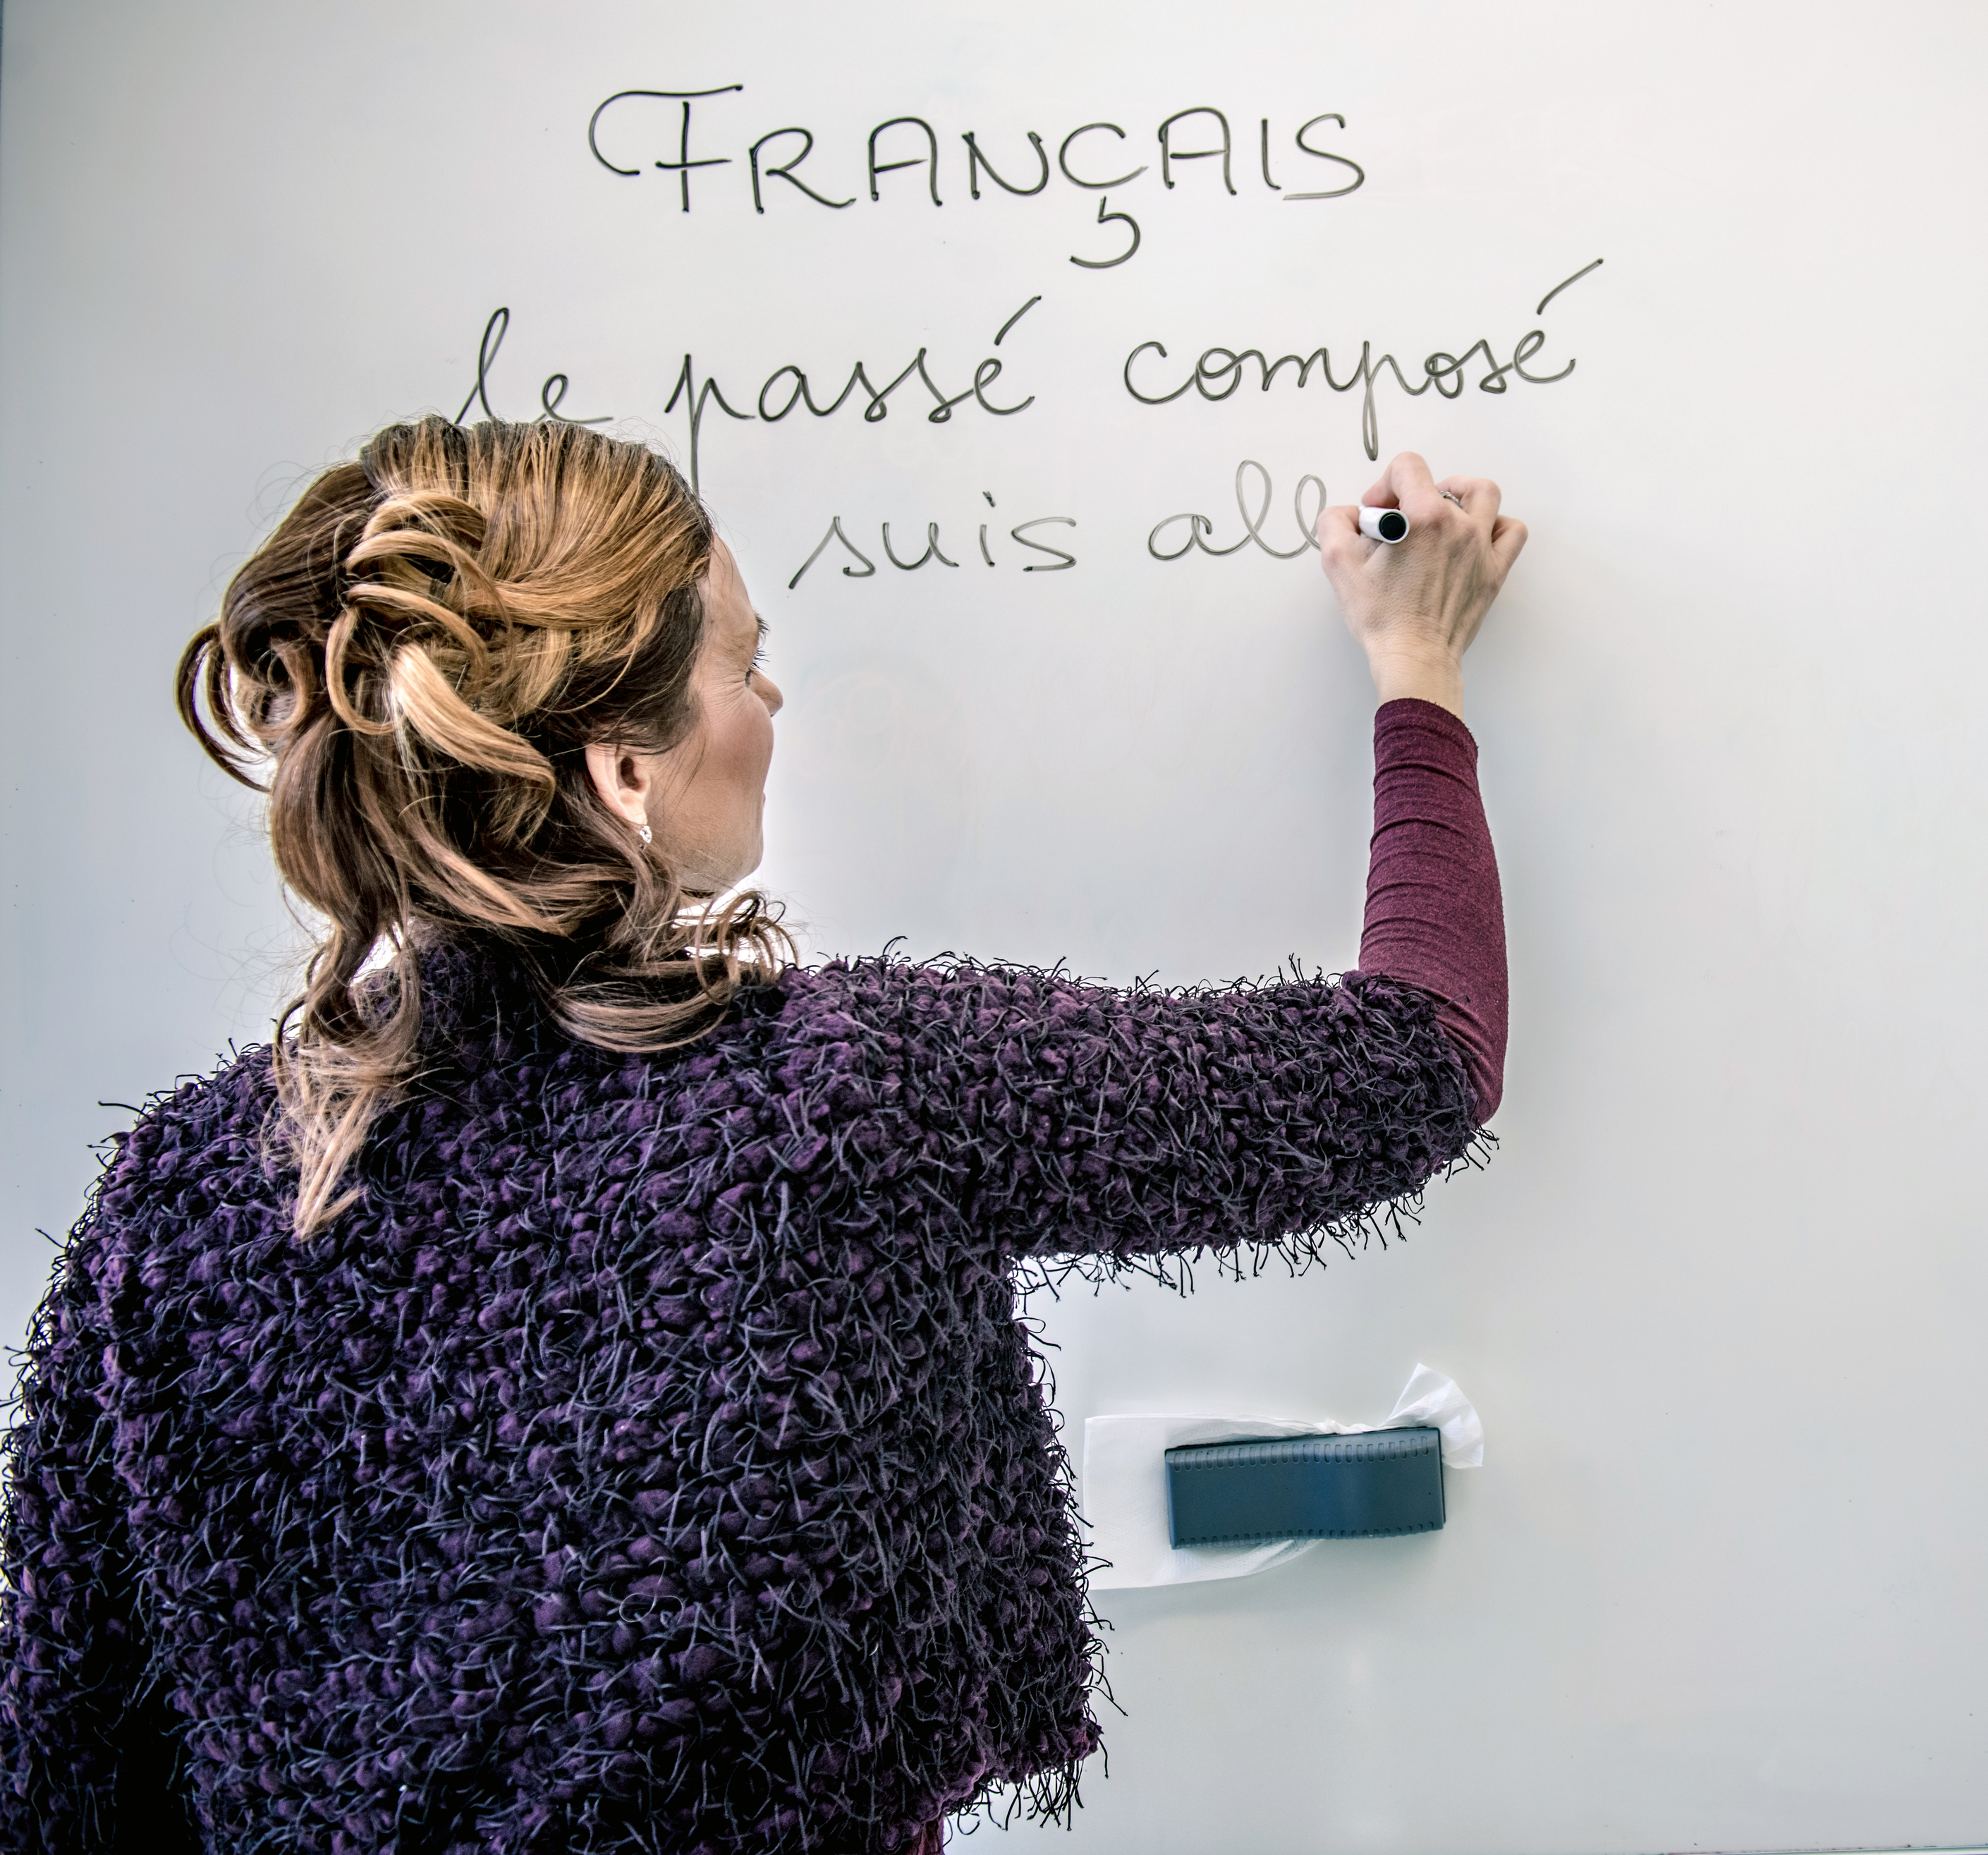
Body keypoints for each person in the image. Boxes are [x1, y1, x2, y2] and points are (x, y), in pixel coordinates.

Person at [0, 416, 1523, 1851]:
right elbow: (1410, 1061)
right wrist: (1416, 663)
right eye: (746, 660)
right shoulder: (841, 1093)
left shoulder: (176, 1203)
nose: (773, 702)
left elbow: (61, 1771)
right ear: (625, 767)